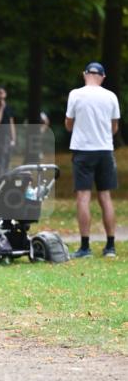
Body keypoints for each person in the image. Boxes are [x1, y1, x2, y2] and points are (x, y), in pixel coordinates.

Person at [65, 61, 121, 259]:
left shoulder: (75, 94)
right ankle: (111, 246)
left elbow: (69, 125)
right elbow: (114, 128)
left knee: (83, 197)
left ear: (84, 74)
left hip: (83, 150)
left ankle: (85, 247)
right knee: (105, 197)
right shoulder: (111, 96)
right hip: (105, 150)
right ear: (103, 77)